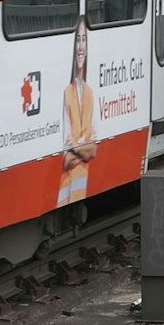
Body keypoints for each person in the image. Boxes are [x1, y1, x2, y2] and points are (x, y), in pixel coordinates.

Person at [59, 18, 97, 204]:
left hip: (80, 191)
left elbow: (94, 149)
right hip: (65, 196)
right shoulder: (67, 93)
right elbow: (65, 159)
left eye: (84, 40)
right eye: (77, 41)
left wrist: (75, 147)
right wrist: (84, 148)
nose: (81, 47)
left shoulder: (89, 93)